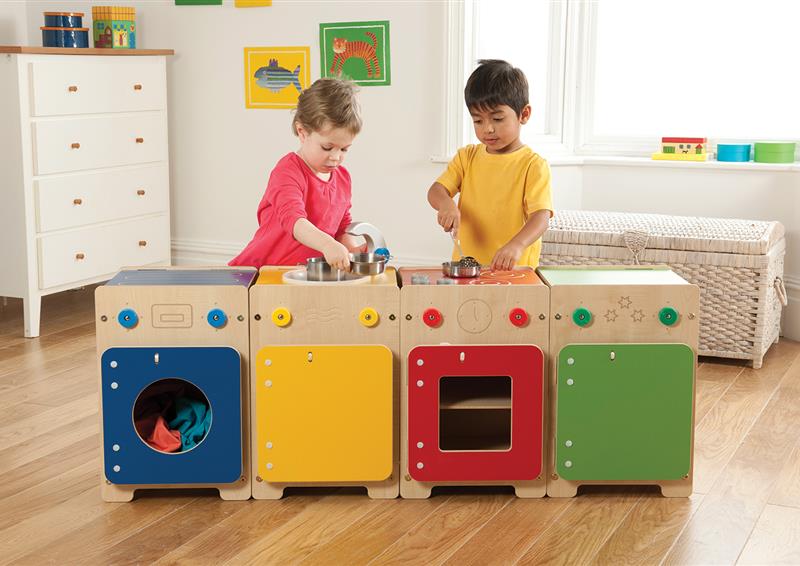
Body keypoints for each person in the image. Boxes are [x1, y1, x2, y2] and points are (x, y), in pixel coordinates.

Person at [427, 59, 553, 271]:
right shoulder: (466, 157)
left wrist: (517, 245)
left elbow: (541, 217)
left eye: (497, 119)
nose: (488, 129)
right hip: (468, 268)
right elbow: (436, 190)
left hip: (515, 270)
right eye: (478, 121)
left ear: (524, 114)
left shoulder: (533, 165)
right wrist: (446, 204)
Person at [230, 78, 365, 269]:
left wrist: (348, 247)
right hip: (264, 271)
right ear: (302, 132)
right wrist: (327, 244)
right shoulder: (287, 171)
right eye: (327, 147)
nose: (335, 157)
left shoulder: (343, 178)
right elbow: (294, 221)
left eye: (344, 149)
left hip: (303, 274)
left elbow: (341, 225)